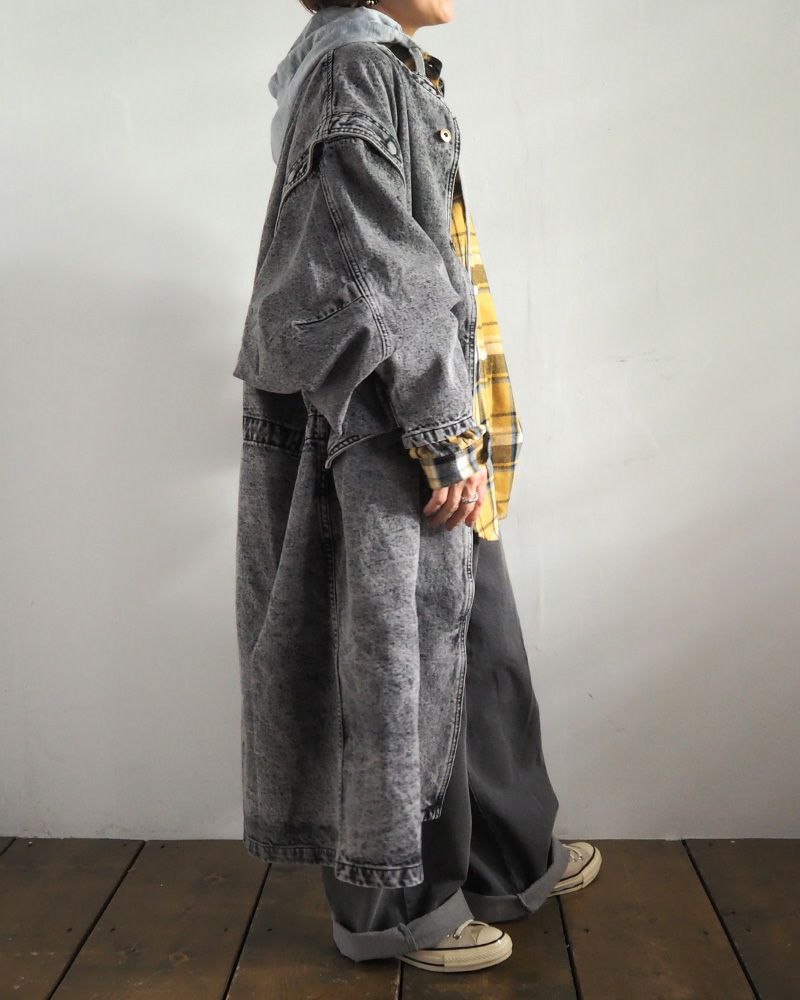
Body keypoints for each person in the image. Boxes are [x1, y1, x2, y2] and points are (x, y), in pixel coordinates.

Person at [233, 0, 602, 975]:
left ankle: (506, 862)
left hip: (423, 415)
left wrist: (453, 428)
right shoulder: (353, 71)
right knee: (387, 661)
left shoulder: (379, 68)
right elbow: (377, 268)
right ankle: (394, 909)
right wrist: (439, 435)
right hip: (386, 425)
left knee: (475, 645)